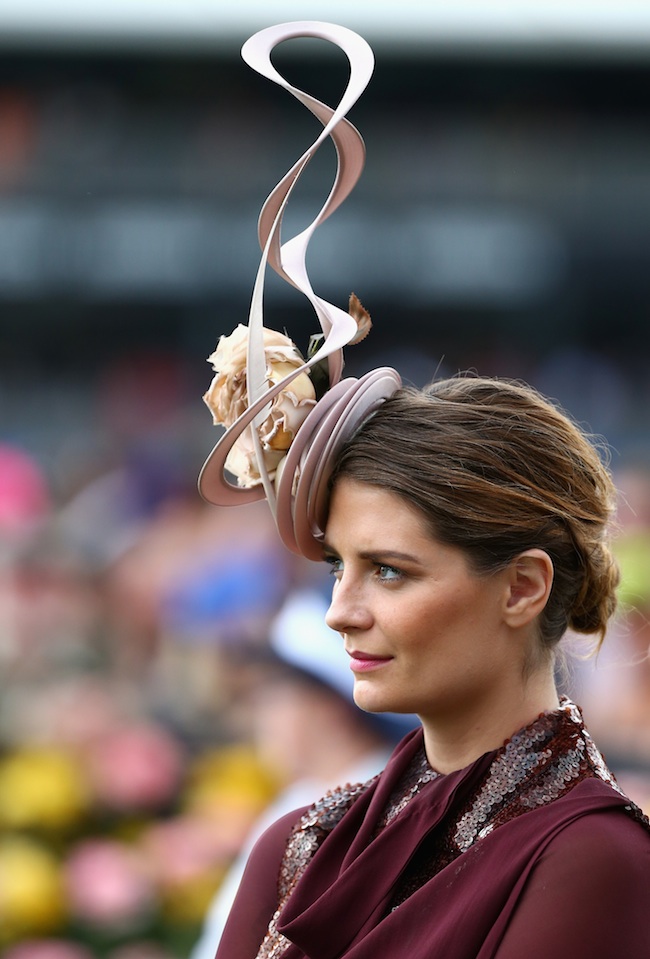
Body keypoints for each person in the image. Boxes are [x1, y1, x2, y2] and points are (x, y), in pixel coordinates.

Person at [195, 21, 650, 959]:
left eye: (391, 572)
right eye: (338, 567)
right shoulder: (294, 846)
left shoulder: (592, 859)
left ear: (523, 586)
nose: (339, 613)